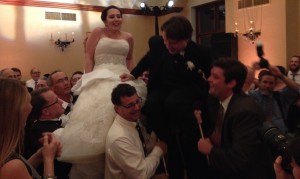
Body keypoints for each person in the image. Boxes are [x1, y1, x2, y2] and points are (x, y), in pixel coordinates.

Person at [58, 5, 146, 179]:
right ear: (105, 20)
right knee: (98, 118)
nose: (116, 19)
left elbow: (130, 59)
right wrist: (88, 78)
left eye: (119, 16)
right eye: (112, 17)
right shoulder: (97, 32)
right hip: (100, 76)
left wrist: (132, 76)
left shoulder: (128, 37)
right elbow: (89, 56)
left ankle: (125, 156)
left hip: (121, 77)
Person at [122, 15, 212, 179]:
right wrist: (132, 74)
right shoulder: (159, 45)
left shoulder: (200, 52)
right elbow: (147, 59)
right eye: (165, 40)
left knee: (173, 104)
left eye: (173, 43)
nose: (167, 45)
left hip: (185, 90)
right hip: (162, 87)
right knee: (151, 105)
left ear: (186, 39)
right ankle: (166, 138)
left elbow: (208, 79)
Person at [197, 59, 274, 178]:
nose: (209, 79)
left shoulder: (245, 112)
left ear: (231, 83)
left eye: (215, 77)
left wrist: (210, 150)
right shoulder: (216, 100)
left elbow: (240, 160)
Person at [0, 78, 60, 179]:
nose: (31, 108)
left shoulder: (4, 148)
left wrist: (38, 156)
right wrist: (48, 159)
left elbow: (22, 171)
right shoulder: (11, 167)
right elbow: (15, 170)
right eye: (28, 102)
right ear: (15, 111)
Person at [105, 83, 167, 179]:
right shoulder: (119, 138)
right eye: (130, 105)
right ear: (117, 109)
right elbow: (141, 175)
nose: (137, 107)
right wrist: (158, 150)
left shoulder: (133, 120)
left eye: (138, 101)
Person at [28, 87, 72, 178]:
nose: (61, 102)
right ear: (46, 111)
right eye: (56, 101)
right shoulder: (54, 133)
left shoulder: (38, 124)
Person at [249, 67, 299, 133]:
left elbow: (296, 88)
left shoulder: (280, 97)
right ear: (259, 82)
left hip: (280, 134)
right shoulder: (252, 96)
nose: (267, 85)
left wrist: (280, 75)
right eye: (265, 82)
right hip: (259, 135)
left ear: (275, 85)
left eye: (271, 83)